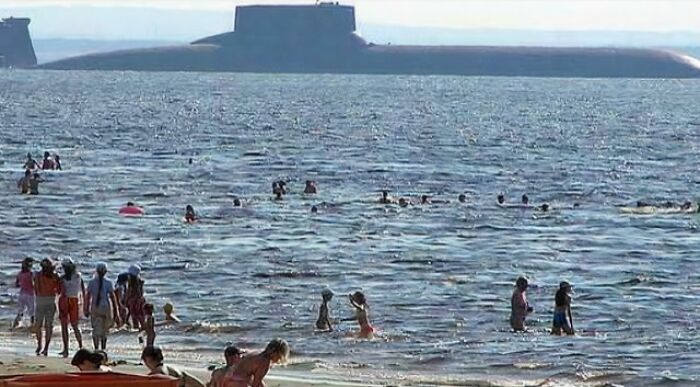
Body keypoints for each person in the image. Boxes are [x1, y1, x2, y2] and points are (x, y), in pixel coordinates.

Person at [222, 339, 289, 387]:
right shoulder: (265, 362)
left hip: (228, 376)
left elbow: (257, 378)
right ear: (275, 353)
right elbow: (256, 384)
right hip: (238, 382)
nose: (278, 360)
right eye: (279, 357)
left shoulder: (257, 353)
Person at [85, 262, 121, 350]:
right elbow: (113, 298)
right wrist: (116, 311)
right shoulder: (108, 283)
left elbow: (88, 296)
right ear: (105, 272)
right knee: (104, 330)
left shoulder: (91, 282)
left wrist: (85, 308)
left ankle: (96, 348)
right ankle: (103, 348)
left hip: (95, 307)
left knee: (96, 328)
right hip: (105, 307)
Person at [58, 258, 86, 357]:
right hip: (74, 300)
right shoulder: (78, 276)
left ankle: (66, 349)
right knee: (75, 325)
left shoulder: (62, 278)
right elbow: (83, 290)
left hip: (64, 300)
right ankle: (81, 346)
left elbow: (60, 291)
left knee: (64, 327)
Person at [34, 258, 61, 356]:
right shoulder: (55, 276)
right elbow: (59, 290)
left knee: (38, 325)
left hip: (40, 300)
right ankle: (46, 348)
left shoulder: (37, 275)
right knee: (49, 326)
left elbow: (36, 289)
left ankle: (39, 345)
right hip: (51, 300)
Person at [13, 257, 35, 329]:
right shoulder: (31, 274)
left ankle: (15, 325)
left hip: (22, 294)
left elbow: (16, 284)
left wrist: (22, 284)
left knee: (20, 311)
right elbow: (34, 283)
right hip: (30, 295)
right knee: (32, 312)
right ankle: (33, 325)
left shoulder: (20, 274)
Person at [126, 264, 146, 330]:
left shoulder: (131, 282)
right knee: (140, 315)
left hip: (133, 301)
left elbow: (129, 292)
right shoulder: (140, 282)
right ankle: (143, 327)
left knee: (134, 316)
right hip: (140, 300)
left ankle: (136, 328)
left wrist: (126, 299)